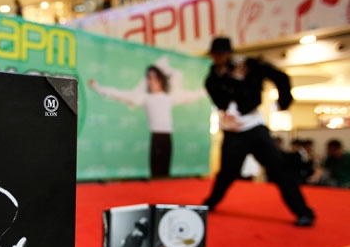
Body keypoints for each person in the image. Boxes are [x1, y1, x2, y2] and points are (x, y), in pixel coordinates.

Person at [202, 37, 315, 227]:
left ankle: (304, 212)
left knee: (279, 169)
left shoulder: (250, 65)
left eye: (222, 54)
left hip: (254, 128)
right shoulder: (213, 77)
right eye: (215, 54)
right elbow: (221, 101)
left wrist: (284, 102)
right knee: (227, 172)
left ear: (228, 53)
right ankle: (209, 204)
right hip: (232, 131)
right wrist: (234, 80)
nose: (218, 58)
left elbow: (280, 77)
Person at [89, 58, 205, 178]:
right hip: (156, 137)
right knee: (155, 172)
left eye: (154, 77)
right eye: (149, 77)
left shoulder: (169, 97)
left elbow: (191, 96)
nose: (151, 81)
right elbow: (120, 95)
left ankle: (164, 195)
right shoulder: (145, 98)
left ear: (160, 79)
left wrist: (207, 90)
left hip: (167, 138)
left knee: (165, 172)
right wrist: (98, 88)